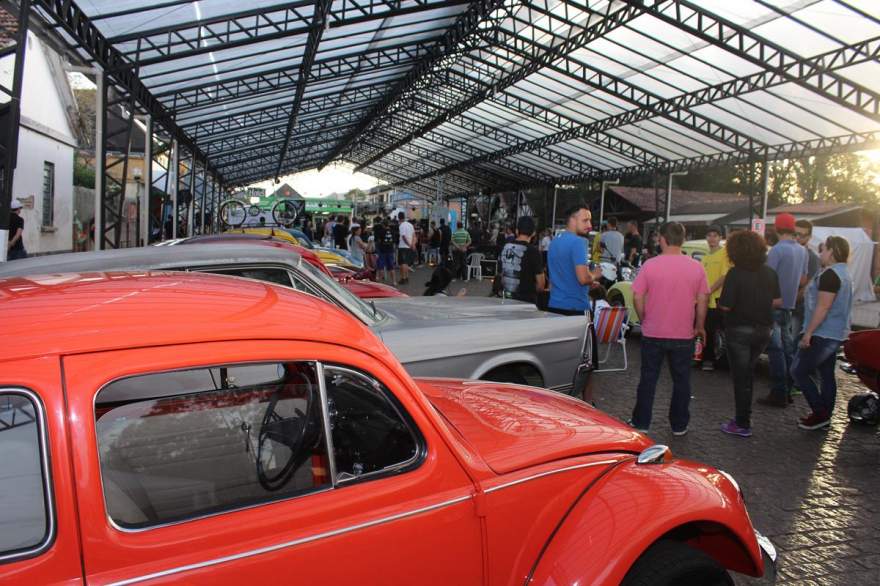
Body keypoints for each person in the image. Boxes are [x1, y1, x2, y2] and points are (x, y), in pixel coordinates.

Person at [628, 221, 709, 436]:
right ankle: (679, 424)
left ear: (662, 239)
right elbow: (703, 299)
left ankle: (641, 421)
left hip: (653, 331)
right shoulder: (696, 267)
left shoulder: (650, 265)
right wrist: (699, 325)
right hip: (683, 334)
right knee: (682, 380)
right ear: (682, 240)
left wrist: (644, 317)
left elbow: (637, 296)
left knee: (648, 379)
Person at [717, 230, 781, 438]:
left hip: (739, 330)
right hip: (764, 329)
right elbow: (777, 301)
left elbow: (726, 306)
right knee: (748, 374)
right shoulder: (770, 273)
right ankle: (744, 418)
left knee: (741, 377)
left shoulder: (735, 274)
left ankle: (742, 422)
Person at [791, 236, 854, 430]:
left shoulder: (831, 275)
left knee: (798, 371)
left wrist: (808, 333)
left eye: (824, 249)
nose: (821, 254)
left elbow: (823, 307)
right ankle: (824, 415)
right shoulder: (843, 273)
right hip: (834, 333)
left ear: (832, 251)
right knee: (826, 374)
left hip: (822, 333)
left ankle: (820, 413)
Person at [547, 205, 603, 402]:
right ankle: (588, 406)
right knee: (588, 362)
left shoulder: (555, 242)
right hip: (577, 310)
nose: (590, 225)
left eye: (590, 220)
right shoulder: (578, 243)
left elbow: (562, 276)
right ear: (572, 219)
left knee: (559, 360)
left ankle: (557, 401)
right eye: (585, 220)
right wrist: (595, 275)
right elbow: (582, 278)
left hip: (554, 307)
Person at [758, 213, 808, 408]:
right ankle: (788, 389)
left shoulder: (777, 250)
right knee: (788, 348)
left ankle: (778, 391)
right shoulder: (802, 251)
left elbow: (767, 278)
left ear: (777, 229)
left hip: (773, 304)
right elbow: (803, 280)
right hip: (790, 305)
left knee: (775, 349)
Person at [700, 225, 731, 371]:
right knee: (705, 329)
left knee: (718, 331)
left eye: (715, 235)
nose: (712, 238)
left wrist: (709, 290)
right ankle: (704, 358)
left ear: (720, 238)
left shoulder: (725, 254)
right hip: (705, 300)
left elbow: (725, 276)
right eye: (709, 235)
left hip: (719, 299)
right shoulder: (705, 257)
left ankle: (716, 361)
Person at [499, 216, 546, 306]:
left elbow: (501, 276)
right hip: (526, 302)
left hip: (506, 300)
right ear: (533, 233)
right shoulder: (534, 251)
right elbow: (541, 285)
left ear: (517, 231)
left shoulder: (505, 247)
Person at [792, 219, 821, 342]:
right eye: (795, 234)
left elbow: (807, 287)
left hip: (797, 311)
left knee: (791, 346)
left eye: (802, 235)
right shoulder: (787, 252)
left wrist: (788, 303)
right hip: (781, 308)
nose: (798, 238)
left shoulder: (812, 258)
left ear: (809, 237)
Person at [374, 219, 396, 284]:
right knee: (391, 267)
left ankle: (381, 282)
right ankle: (394, 281)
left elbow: (378, 241)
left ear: (383, 225)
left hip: (382, 251)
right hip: (390, 251)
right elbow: (394, 241)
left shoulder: (381, 231)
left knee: (381, 266)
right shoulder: (392, 231)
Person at [397, 211, 415, 285]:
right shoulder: (410, 225)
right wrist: (412, 244)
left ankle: (403, 278)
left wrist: (409, 244)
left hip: (403, 247)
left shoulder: (401, 226)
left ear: (399, 218)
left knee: (403, 263)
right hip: (409, 247)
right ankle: (406, 278)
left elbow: (403, 236)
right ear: (404, 217)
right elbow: (414, 235)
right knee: (406, 263)